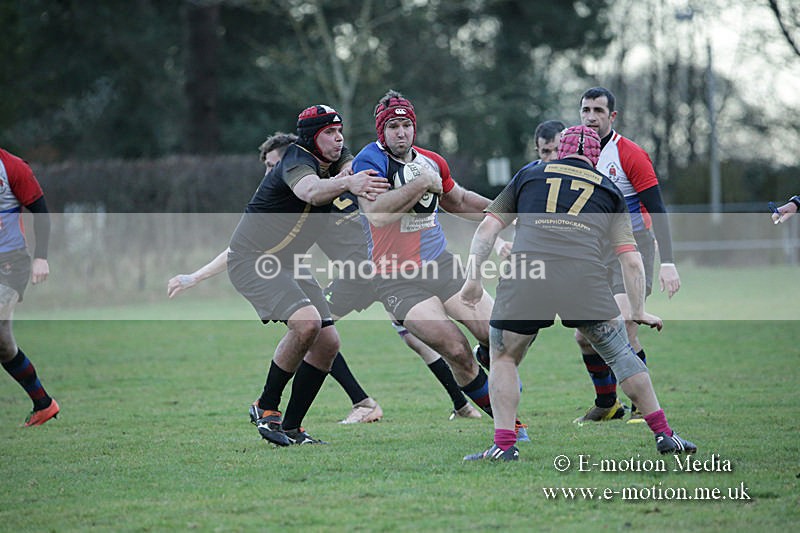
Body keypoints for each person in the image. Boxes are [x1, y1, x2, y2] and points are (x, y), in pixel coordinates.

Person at [168, 133, 480, 422]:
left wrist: (195, 277)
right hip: (387, 269)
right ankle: (462, 403)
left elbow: (241, 249)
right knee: (413, 335)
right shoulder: (345, 180)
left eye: (273, 165)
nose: (270, 174)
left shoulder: (320, 192)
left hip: (361, 275)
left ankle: (363, 404)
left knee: (318, 330)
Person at [461, 126, 697, 461]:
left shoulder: (529, 173)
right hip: (583, 278)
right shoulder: (611, 189)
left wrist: (473, 280)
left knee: (503, 357)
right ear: (596, 157)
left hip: (529, 273)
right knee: (620, 353)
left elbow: (488, 227)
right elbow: (630, 260)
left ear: (559, 150)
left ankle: (503, 445)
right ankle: (664, 434)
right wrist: (639, 309)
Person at [354, 89, 529, 439]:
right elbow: (377, 215)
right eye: (393, 127)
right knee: (456, 351)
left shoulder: (432, 161)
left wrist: (508, 213)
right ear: (381, 132)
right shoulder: (368, 162)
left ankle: (489, 358)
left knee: (502, 336)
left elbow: (459, 200)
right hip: (396, 280)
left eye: (406, 125)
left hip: (441, 266)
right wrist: (421, 183)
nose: (401, 133)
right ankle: (511, 429)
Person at [227, 104, 389, 445]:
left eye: (339, 130)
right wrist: (350, 181)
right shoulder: (296, 160)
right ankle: (266, 406)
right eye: (328, 132)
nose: (338, 137)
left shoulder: (338, 156)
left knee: (328, 343)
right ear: (311, 137)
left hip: (289, 263)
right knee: (307, 323)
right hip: (254, 260)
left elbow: (358, 169)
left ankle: (291, 427)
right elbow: (310, 191)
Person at [573, 87, 680, 423]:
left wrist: (669, 262)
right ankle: (608, 405)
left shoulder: (630, 154)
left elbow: (658, 209)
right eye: (586, 110)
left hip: (631, 247)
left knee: (623, 326)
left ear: (612, 116)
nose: (591, 117)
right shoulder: (573, 152)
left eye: (598, 111)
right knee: (583, 335)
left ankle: (640, 409)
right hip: (592, 250)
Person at [0, 148, 59, 426]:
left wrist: (41, 257)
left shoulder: (12, 167)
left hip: (11, 264)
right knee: (4, 345)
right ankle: (43, 404)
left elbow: (41, 212)